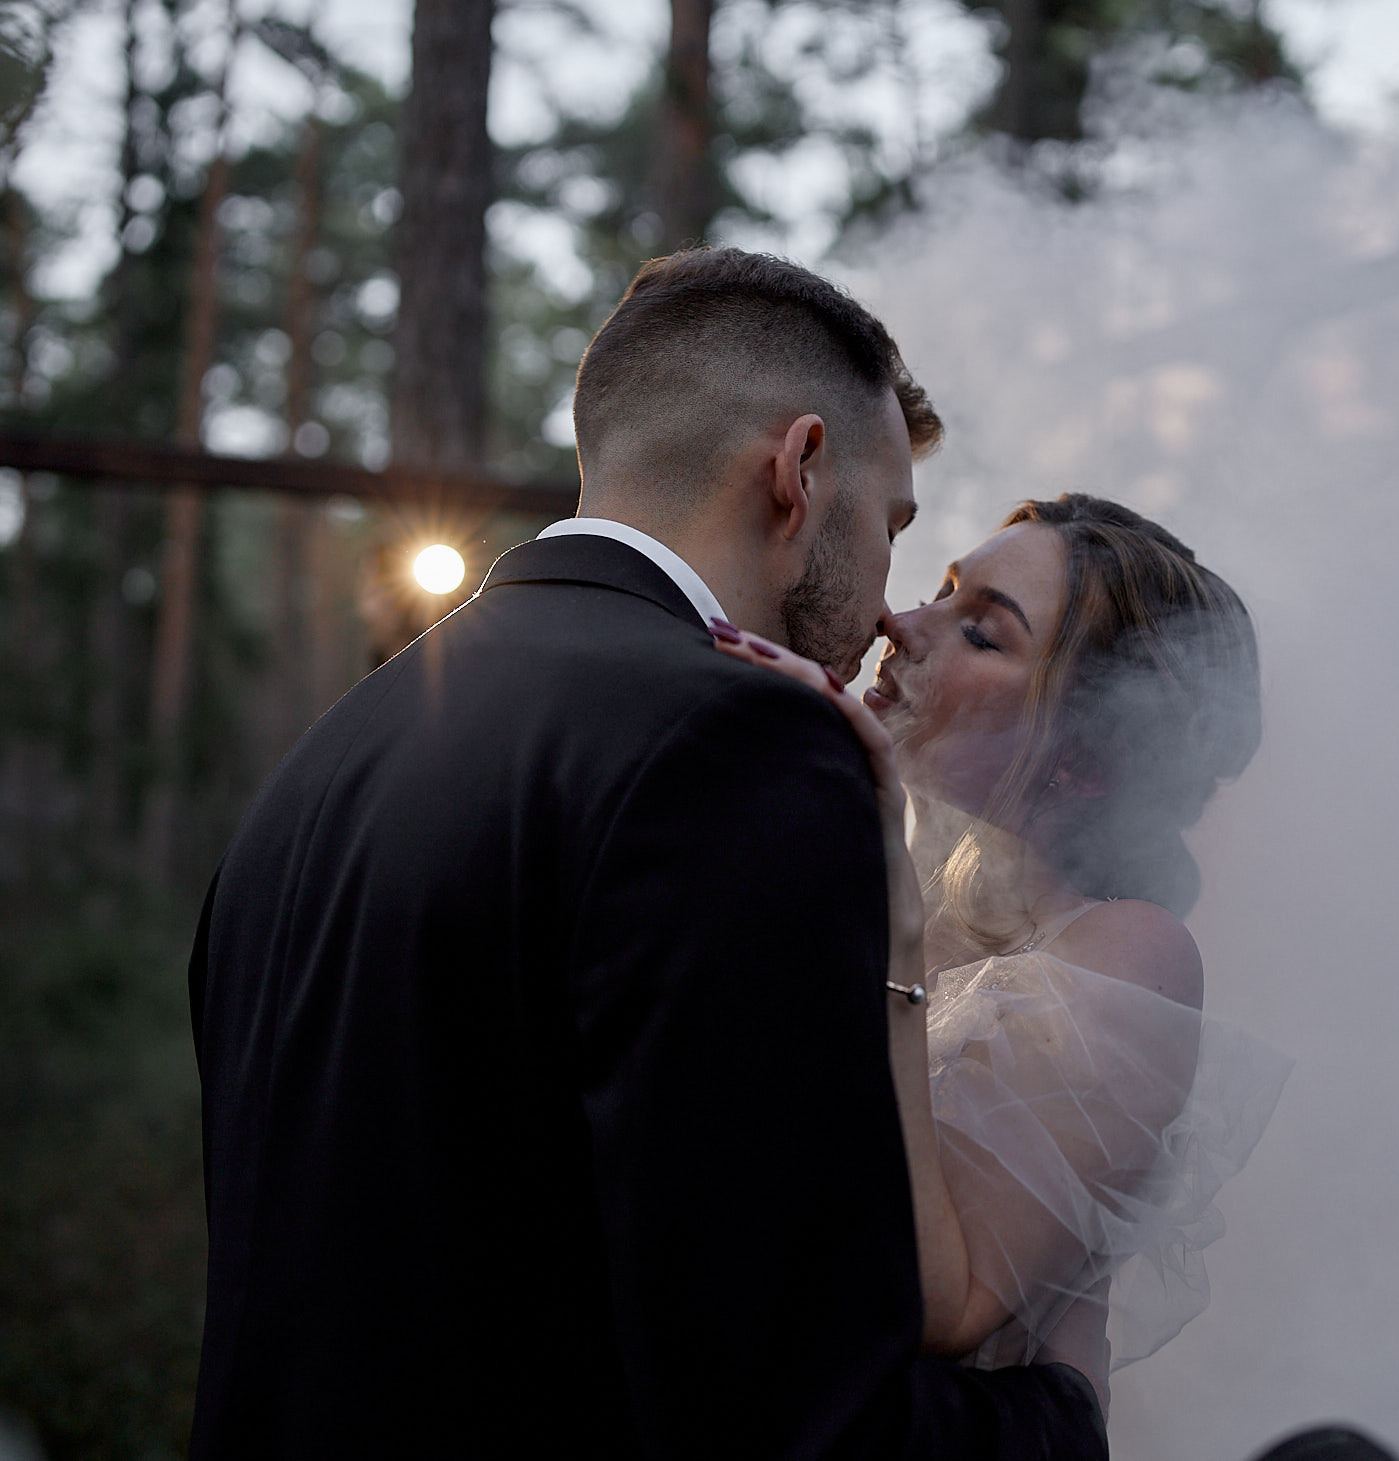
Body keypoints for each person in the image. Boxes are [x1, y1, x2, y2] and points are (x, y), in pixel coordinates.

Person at [186, 248, 1107, 1458]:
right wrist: (1058, 1415)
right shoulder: (738, 743)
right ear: (796, 471)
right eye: (891, 526)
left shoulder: (329, 758)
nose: (890, 606)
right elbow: (791, 1406)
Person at [709, 493, 1292, 1426]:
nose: (898, 624)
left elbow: (951, 1302)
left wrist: (889, 913)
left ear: (1085, 754)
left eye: (981, 633)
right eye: (940, 590)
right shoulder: (853, 874)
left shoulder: (1123, 950)